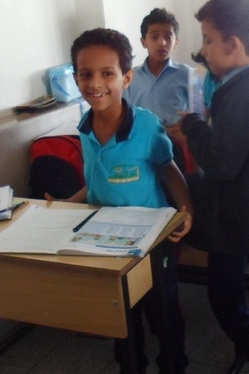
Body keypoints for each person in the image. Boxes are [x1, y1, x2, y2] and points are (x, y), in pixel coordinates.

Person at [56, 28, 194, 374]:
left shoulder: (145, 126)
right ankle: (131, 366)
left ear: (126, 78)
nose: (95, 83)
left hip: (152, 241)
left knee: (162, 313)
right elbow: (96, 180)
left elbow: (169, 169)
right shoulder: (84, 126)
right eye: (85, 74)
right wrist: (66, 202)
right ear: (75, 78)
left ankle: (173, 365)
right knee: (121, 315)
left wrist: (187, 210)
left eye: (107, 73)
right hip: (105, 240)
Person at [171, 0, 249, 374]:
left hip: (232, 218)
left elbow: (221, 164)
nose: (203, 51)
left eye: (207, 41)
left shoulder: (239, 93)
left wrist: (193, 127)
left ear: (233, 45)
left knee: (227, 305)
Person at [125, 7, 203, 173]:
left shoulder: (188, 74)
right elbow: (125, 114)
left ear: (176, 42)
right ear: (143, 41)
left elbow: (200, 115)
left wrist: (187, 133)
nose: (162, 43)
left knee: (182, 183)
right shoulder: (131, 77)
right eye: (154, 37)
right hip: (142, 147)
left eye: (168, 37)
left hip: (178, 145)